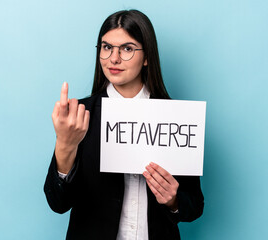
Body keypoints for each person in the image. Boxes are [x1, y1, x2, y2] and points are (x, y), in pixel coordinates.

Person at [44, 9, 204, 240]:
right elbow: (58, 203)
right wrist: (65, 145)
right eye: (107, 47)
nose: (114, 59)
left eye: (127, 49)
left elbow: (195, 207)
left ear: (147, 56)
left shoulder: (175, 118)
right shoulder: (79, 115)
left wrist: (173, 200)